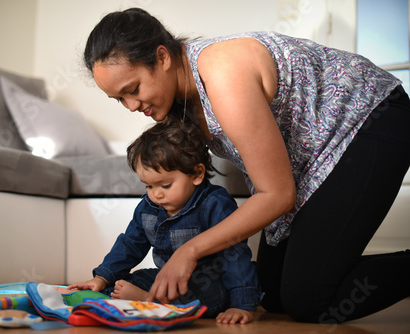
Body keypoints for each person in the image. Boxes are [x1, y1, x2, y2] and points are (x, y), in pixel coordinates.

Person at [82, 7, 410, 324]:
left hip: (368, 120)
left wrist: (189, 251)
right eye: (119, 99)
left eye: (133, 90)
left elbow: (278, 194)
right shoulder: (178, 106)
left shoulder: (223, 72)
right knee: (272, 294)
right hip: (310, 160)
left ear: (163, 57)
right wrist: (104, 276)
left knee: (310, 300)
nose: (131, 106)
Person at [67, 116, 261, 323]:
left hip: (213, 281)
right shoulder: (148, 207)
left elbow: (235, 254)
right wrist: (102, 277)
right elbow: (130, 244)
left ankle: (152, 303)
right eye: (149, 186)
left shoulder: (215, 203)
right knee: (121, 283)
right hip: (168, 279)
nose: (156, 195)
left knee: (206, 290)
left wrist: (242, 305)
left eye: (165, 186)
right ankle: (136, 301)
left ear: (197, 174)